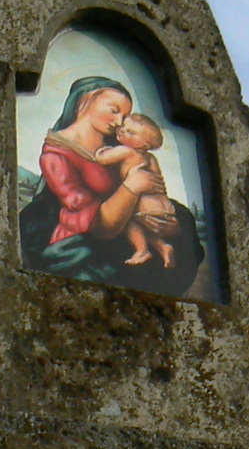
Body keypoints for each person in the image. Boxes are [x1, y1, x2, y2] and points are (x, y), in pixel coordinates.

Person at [18, 77, 204, 296]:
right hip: (91, 232)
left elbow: (151, 191)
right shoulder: (57, 157)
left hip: (126, 222)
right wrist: (132, 187)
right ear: (85, 102)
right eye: (114, 110)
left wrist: (171, 226)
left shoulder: (118, 146)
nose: (119, 122)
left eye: (124, 117)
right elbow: (99, 224)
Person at [94, 113, 177, 268]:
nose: (122, 131)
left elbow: (102, 158)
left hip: (142, 201)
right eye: (123, 126)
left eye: (131, 132)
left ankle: (142, 250)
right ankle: (162, 247)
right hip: (159, 203)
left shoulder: (127, 151)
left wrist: (100, 150)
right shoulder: (151, 158)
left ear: (145, 145)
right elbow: (158, 180)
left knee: (128, 222)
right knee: (145, 226)